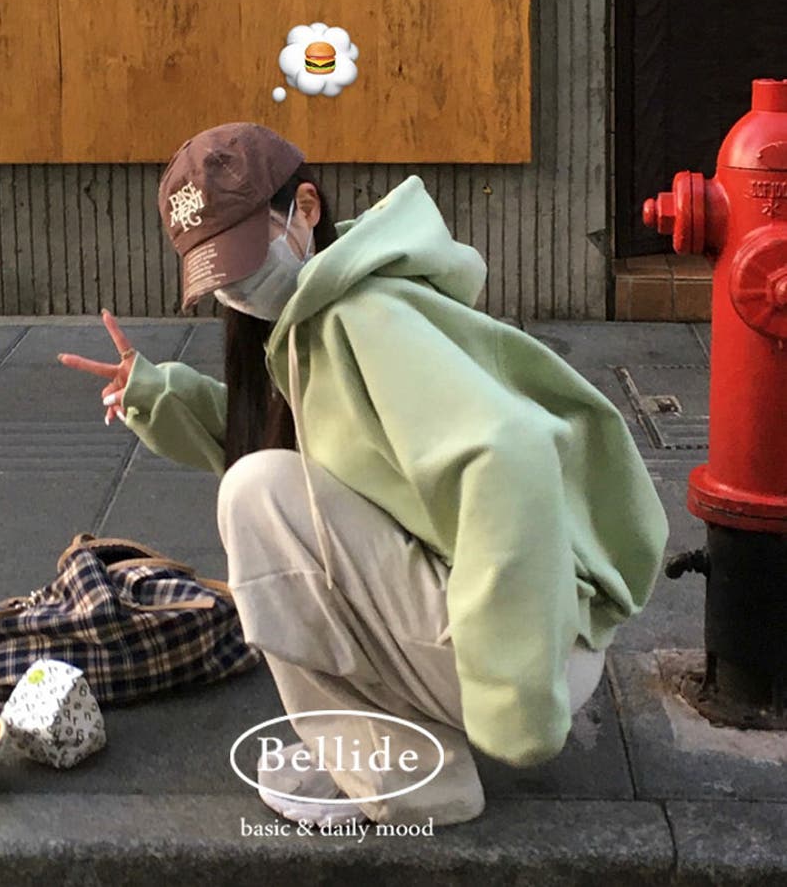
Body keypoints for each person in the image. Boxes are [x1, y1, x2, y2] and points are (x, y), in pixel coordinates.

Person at [59, 122, 669, 827]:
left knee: (255, 501)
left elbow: (510, 452)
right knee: (270, 489)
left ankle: (403, 777)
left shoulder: (363, 314)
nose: (234, 286)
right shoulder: (322, 316)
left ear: (306, 208)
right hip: (535, 637)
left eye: (242, 256)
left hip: (532, 656)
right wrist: (159, 392)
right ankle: (395, 751)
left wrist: (514, 698)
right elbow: (314, 447)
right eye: (216, 272)